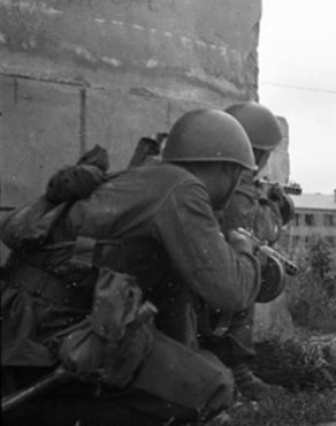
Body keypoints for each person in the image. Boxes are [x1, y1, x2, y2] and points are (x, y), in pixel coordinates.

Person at [1, 109, 263, 426]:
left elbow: (173, 313)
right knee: (214, 388)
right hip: (48, 335)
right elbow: (231, 291)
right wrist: (244, 246)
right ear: (228, 170)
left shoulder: (146, 179)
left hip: (28, 326)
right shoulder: (181, 188)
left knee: (200, 369)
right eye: (240, 177)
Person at [200, 102, 294, 400]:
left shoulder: (210, 167)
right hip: (210, 271)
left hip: (195, 262)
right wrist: (273, 205)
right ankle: (240, 376)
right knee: (247, 273)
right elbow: (257, 233)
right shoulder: (237, 182)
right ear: (257, 151)